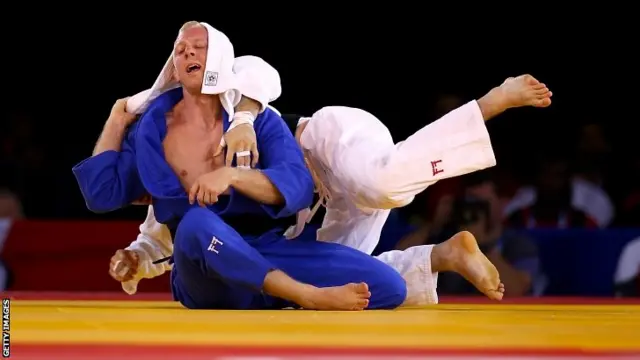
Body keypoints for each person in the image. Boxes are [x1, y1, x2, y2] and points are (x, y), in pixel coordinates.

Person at [110, 72, 551, 305]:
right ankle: (442, 255)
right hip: (312, 204)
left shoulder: (206, 104)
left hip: (320, 144)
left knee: (383, 182)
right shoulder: (174, 186)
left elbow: (258, 72)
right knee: (349, 278)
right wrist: (136, 258)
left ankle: (491, 102)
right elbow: (164, 238)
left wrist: (243, 120)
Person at [74, 21, 409, 311]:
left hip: (264, 249)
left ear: (220, 57)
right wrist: (118, 117)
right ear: (172, 68)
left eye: (199, 47)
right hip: (205, 268)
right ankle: (304, 295)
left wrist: (233, 175)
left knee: (389, 287)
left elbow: (297, 186)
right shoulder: (153, 130)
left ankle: (269, 291)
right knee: (196, 223)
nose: (187, 53)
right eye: (179, 50)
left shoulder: (259, 121)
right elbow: (101, 193)